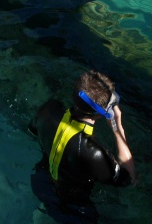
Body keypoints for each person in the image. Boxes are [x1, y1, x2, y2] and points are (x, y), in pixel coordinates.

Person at [31, 70, 135, 223]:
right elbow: (129, 180)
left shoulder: (49, 109)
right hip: (72, 209)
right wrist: (118, 128)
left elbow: (33, 131)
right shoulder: (93, 152)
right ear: (103, 113)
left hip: (40, 182)